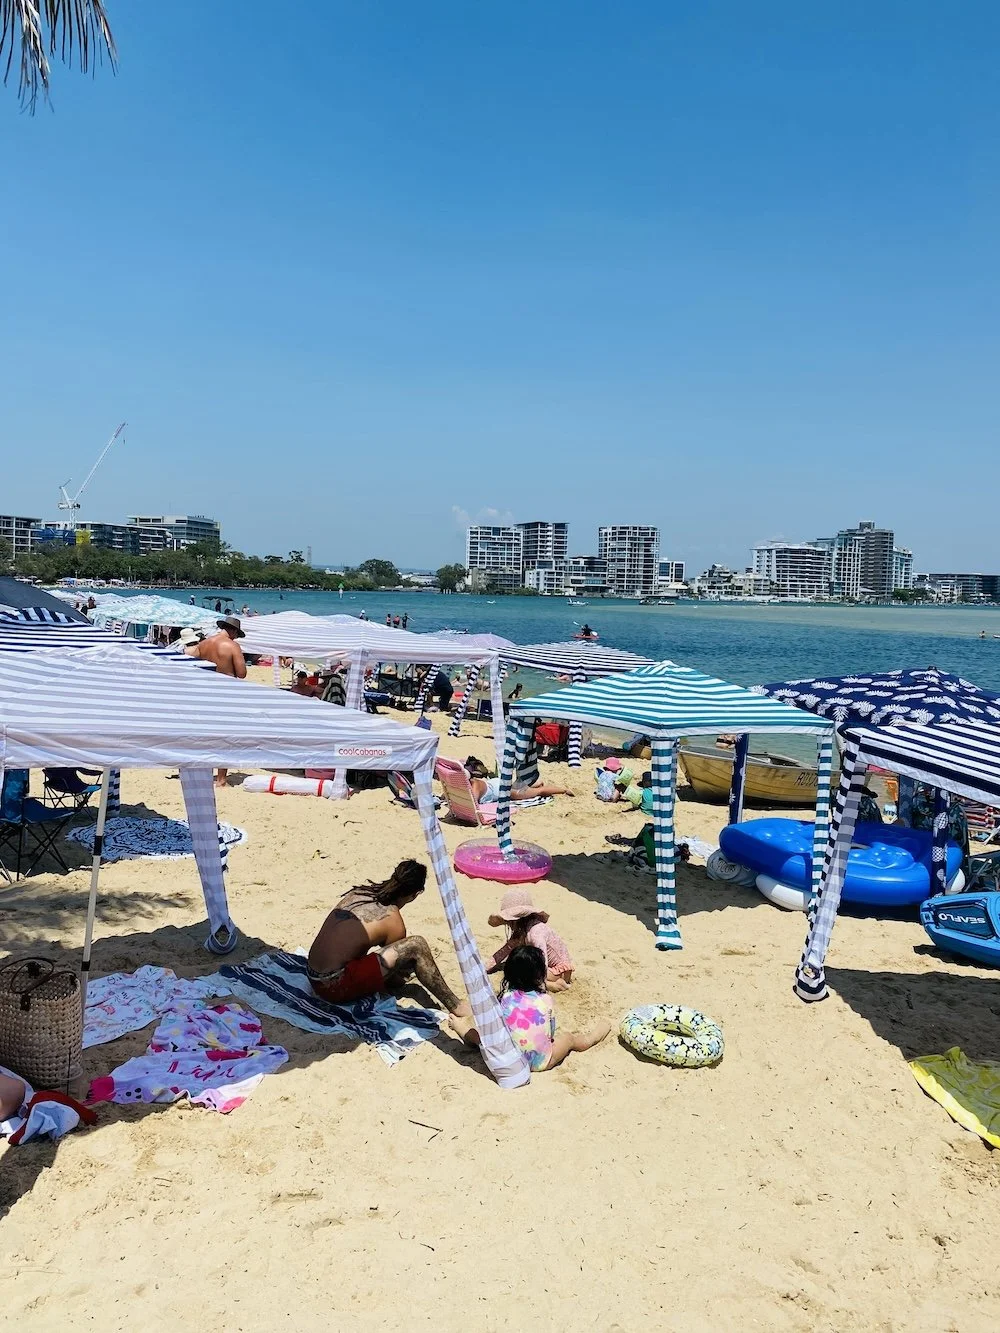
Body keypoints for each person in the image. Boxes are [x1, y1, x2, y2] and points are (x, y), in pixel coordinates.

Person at [306, 860, 471, 1019]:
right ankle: (456, 1006)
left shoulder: (359, 894)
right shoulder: (393, 920)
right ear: (415, 894)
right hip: (332, 986)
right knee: (416, 946)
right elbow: (392, 977)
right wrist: (401, 978)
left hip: (312, 973)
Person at [454, 946, 610, 1069]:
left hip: (507, 1059)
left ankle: (460, 1028)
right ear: (540, 975)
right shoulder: (545, 1000)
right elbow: (550, 1033)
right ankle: (592, 1037)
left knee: (480, 1037)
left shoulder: (505, 999)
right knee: (569, 1039)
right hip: (539, 1062)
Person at [190, 616, 247, 786]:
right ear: (233, 631)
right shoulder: (232, 646)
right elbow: (242, 673)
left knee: (205, 734)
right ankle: (221, 779)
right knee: (225, 736)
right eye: (236, 634)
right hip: (225, 694)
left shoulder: (203, 644)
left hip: (205, 693)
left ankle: (203, 773)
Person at [486, 888, 573, 991]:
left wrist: (542, 983)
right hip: (552, 970)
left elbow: (542, 959)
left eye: (509, 921)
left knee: (519, 970)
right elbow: (504, 951)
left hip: (558, 971)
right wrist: (485, 967)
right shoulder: (522, 931)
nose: (508, 924)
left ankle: (551, 985)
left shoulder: (536, 932)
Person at [464, 755, 574, 801]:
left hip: (504, 790)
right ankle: (536, 784)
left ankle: (564, 790)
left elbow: (472, 804)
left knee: (539, 792)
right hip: (497, 784)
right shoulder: (472, 784)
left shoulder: (475, 786)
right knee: (526, 789)